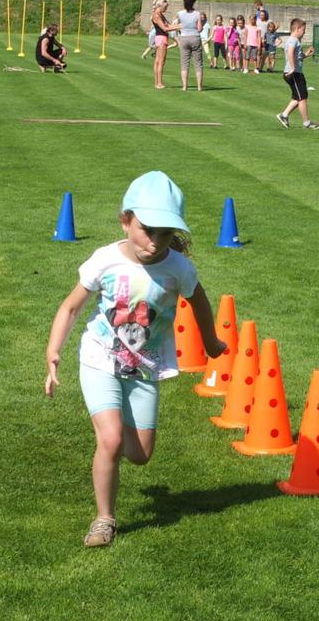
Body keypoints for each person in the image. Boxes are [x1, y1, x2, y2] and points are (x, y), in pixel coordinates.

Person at [44, 171, 226, 548]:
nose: (155, 242)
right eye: (147, 230)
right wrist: (53, 351)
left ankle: (114, 436)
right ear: (125, 221)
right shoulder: (105, 260)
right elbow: (71, 306)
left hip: (145, 367)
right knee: (111, 441)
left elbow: (200, 302)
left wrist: (210, 343)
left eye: (165, 233)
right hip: (99, 358)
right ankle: (104, 520)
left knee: (140, 454)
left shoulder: (178, 268)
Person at [276, 18, 319, 130]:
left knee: (298, 97)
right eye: (303, 30)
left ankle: (284, 115)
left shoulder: (294, 41)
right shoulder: (293, 40)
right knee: (302, 98)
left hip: (295, 72)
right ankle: (307, 123)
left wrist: (306, 54)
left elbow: (297, 57)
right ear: (297, 29)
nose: (304, 32)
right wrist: (292, 68)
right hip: (294, 73)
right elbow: (290, 53)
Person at [174, 0, 205, 91]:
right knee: (198, 64)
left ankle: (184, 87)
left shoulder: (179, 13)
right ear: (193, 2)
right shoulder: (197, 14)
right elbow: (199, 29)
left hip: (184, 38)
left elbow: (175, 24)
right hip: (195, 37)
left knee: (184, 64)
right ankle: (199, 87)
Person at [148, 0, 178, 89]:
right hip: (161, 38)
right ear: (160, 6)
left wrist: (179, 26)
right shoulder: (157, 15)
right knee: (161, 61)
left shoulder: (160, 15)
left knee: (158, 61)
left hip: (160, 38)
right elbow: (165, 28)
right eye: (165, 7)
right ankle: (159, 83)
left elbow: (168, 25)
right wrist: (180, 27)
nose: (166, 8)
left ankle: (157, 83)